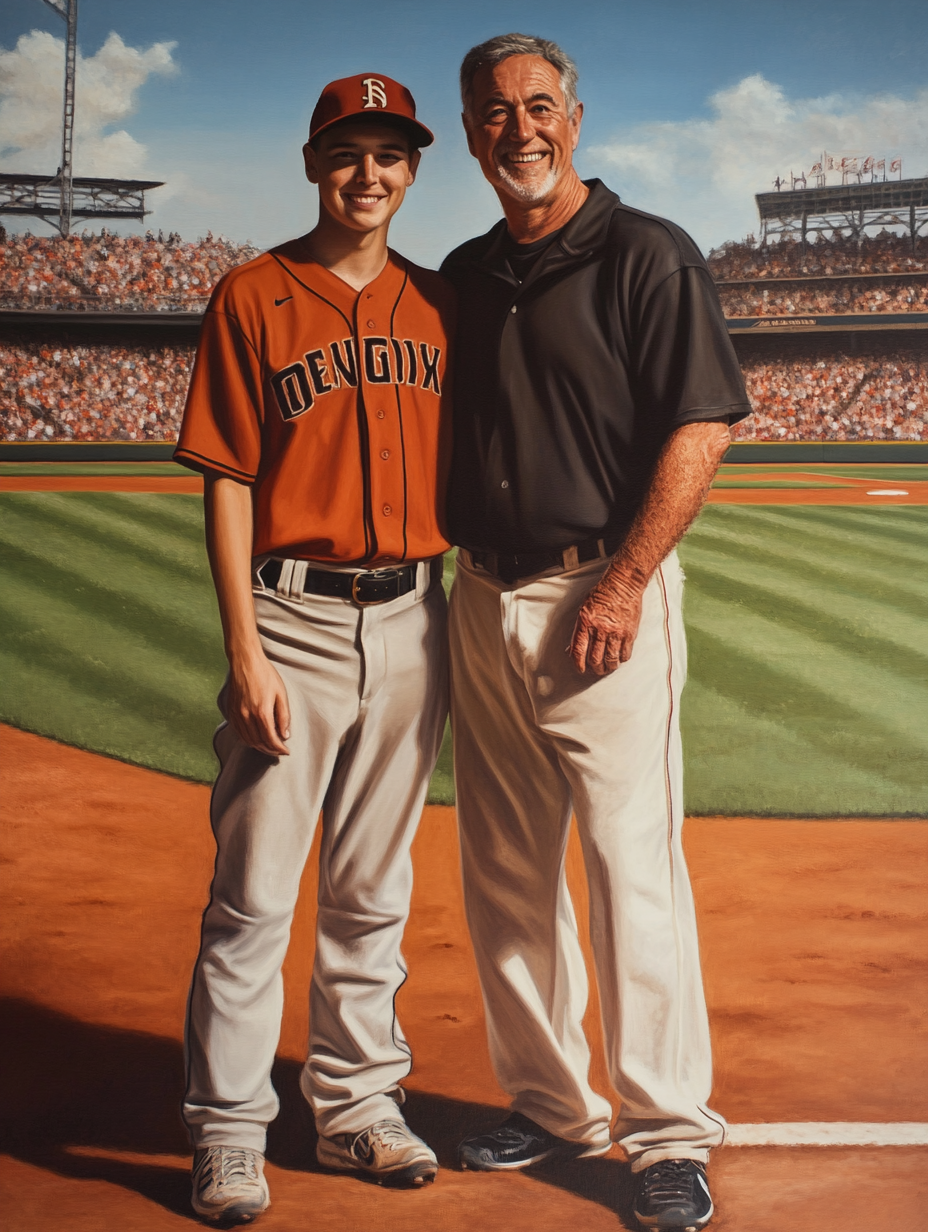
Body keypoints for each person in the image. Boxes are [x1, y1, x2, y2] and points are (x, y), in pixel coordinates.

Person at [440, 34, 751, 1231]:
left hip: (600, 595)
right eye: (494, 112)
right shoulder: (463, 271)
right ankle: (553, 1102)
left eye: (538, 106)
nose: (518, 129)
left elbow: (700, 429)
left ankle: (665, 1131)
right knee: (506, 873)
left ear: (575, 116)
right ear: (469, 133)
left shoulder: (646, 252)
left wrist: (622, 583)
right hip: (481, 596)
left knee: (631, 870)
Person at [174, 73, 454, 1224]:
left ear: (411, 171)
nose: (368, 173)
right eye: (348, 151)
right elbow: (229, 476)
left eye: (389, 154)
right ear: (311, 162)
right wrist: (244, 647)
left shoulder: (442, 306)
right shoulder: (252, 293)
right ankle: (231, 1129)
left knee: (371, 884)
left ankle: (353, 1105)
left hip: (413, 615)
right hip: (288, 613)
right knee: (251, 891)